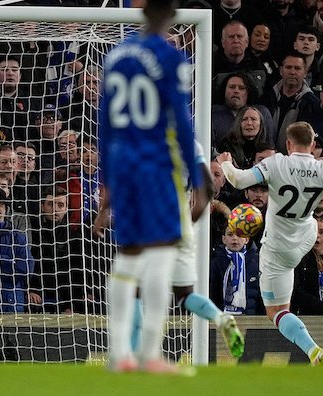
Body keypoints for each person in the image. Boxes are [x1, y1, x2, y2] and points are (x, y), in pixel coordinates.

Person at [94, 0, 219, 373]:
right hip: (155, 163)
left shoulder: (116, 55)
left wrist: (105, 181)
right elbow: (180, 119)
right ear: (171, 17)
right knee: (161, 253)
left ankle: (119, 354)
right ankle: (149, 353)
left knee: (128, 254)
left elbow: (104, 121)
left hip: (120, 161)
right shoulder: (169, 57)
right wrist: (199, 177)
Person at [217, 121, 323, 364]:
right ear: (313, 144)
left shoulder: (276, 163)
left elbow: (238, 181)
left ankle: (313, 350)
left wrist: (225, 162)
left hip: (278, 249)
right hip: (306, 237)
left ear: (288, 143)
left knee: (278, 312)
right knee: (314, 223)